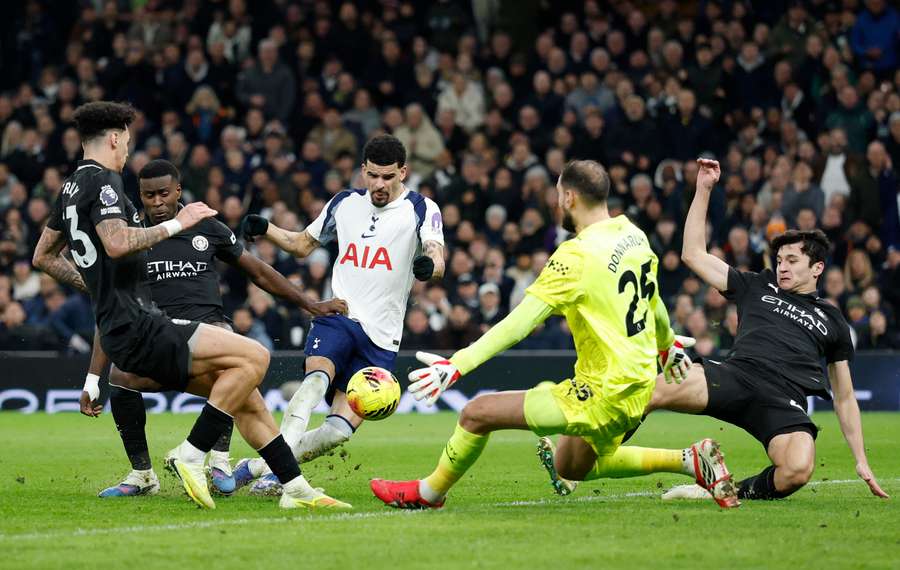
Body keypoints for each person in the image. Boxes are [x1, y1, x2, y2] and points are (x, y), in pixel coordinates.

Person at [369, 160, 739, 510]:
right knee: (571, 466)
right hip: (638, 384)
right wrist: (666, 343)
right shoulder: (633, 234)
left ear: (569, 198)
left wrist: (457, 365)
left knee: (476, 412)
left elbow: (520, 323)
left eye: (558, 195)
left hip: (603, 391)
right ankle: (691, 459)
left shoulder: (575, 256)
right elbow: (652, 298)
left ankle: (428, 493)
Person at [32, 102, 348, 510]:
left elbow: (43, 256)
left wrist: (98, 287)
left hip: (125, 329)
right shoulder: (106, 183)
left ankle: (296, 488)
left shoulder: (71, 186)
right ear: (113, 138)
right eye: (127, 140)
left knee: (248, 399)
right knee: (256, 357)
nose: (128, 148)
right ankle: (192, 454)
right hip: (142, 327)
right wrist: (178, 224)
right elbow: (115, 242)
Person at [643, 159, 887, 501]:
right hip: (735, 376)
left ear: (817, 268)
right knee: (656, 389)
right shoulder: (757, 284)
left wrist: (861, 461)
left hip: (783, 399)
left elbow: (845, 397)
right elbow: (693, 254)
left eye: (792, 261)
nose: (782, 266)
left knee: (798, 469)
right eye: (780, 260)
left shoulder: (832, 319)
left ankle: (725, 489)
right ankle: (592, 452)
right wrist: (704, 189)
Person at [236, 134, 445, 493]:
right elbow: (302, 244)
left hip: (381, 337)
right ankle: (287, 478)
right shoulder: (344, 203)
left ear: (403, 173)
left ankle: (257, 467)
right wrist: (266, 230)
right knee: (314, 382)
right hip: (340, 315)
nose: (379, 185)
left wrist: (429, 266)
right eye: (373, 176)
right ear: (363, 171)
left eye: (388, 177)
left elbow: (436, 253)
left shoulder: (422, 208)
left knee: (337, 432)